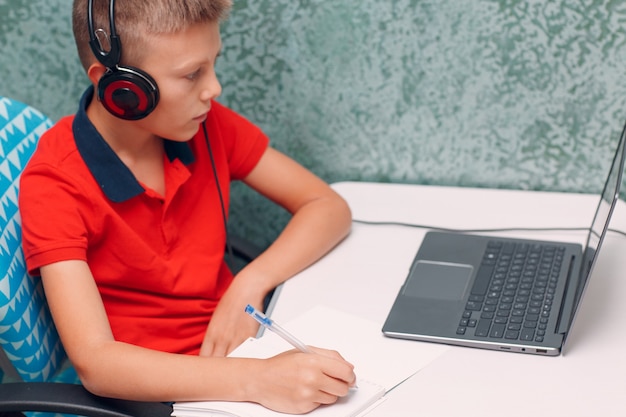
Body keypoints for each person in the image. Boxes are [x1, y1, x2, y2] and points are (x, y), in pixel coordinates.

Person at [18, 0, 355, 414]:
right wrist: (258, 379)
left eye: (213, 63)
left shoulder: (203, 123)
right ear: (121, 88)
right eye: (192, 74)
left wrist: (247, 285)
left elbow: (327, 205)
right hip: (159, 394)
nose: (213, 88)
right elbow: (96, 362)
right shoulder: (55, 183)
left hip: (243, 352)